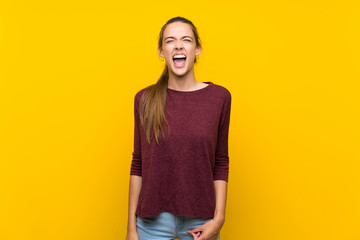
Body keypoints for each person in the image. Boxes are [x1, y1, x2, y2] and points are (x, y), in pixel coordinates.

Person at [126, 16, 231, 240]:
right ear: (161, 51)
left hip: (202, 221)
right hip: (151, 222)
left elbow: (221, 161)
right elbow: (138, 163)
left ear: (197, 49)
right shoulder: (144, 100)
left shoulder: (219, 98)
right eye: (170, 40)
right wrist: (131, 230)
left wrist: (219, 219)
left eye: (186, 40)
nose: (178, 45)